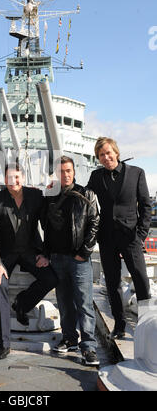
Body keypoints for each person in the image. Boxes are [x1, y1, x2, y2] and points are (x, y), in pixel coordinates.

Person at [0, 163, 58, 360]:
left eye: (17, 177)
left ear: (23, 178)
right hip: (5, 253)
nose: (13, 182)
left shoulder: (35, 196)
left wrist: (46, 254)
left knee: (50, 278)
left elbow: (48, 224)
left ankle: (22, 304)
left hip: (29, 251)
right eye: (9, 178)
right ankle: (3, 344)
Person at [88, 136, 151, 339]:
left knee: (141, 280)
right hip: (106, 238)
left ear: (116, 152)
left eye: (108, 152)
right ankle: (120, 325)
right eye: (101, 155)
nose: (106, 157)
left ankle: (146, 324)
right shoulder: (96, 177)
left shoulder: (136, 173)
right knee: (112, 283)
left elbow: (146, 205)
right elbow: (85, 197)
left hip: (131, 236)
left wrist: (140, 235)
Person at [43, 156, 100, 366]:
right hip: (57, 258)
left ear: (74, 172)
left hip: (78, 259)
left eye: (68, 170)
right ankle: (69, 339)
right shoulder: (50, 195)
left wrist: (84, 252)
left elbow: (94, 222)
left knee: (84, 303)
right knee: (65, 302)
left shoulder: (87, 194)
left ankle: (89, 347)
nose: (65, 175)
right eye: (61, 171)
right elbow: (45, 224)